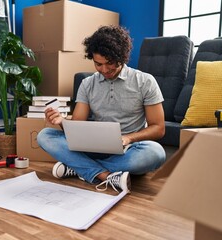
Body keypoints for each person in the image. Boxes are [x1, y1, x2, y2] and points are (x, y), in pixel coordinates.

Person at [37, 25, 166, 193]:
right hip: (92, 148)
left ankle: (78, 167)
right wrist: (61, 121)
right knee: (44, 135)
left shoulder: (145, 81)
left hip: (128, 150)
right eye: (98, 64)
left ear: (122, 57)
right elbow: (77, 125)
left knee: (156, 153)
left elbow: (159, 128)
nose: (104, 70)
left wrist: (128, 138)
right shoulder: (87, 84)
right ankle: (104, 175)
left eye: (110, 63)